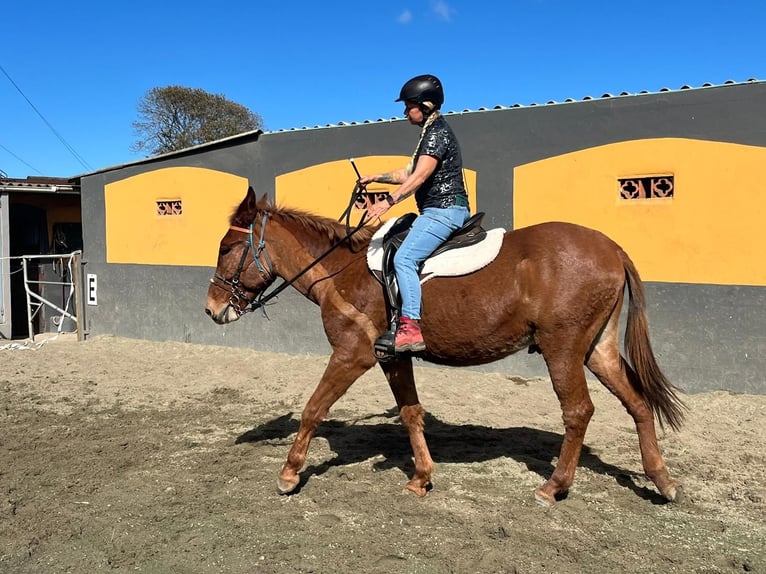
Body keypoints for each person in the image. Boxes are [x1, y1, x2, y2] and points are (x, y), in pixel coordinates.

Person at [360, 74, 470, 353]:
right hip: (438, 209)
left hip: (444, 210)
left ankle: (410, 327)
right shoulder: (430, 134)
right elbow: (407, 173)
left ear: (426, 105)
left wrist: (388, 201)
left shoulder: (438, 134)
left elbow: (419, 176)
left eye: (409, 105)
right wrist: (376, 177)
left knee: (405, 258)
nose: (405, 111)